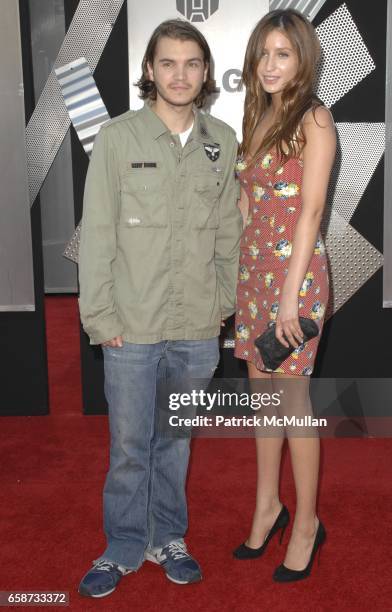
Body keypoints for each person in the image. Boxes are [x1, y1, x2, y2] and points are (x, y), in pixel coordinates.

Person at [77, 19, 242, 598]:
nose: (180, 74)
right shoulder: (118, 138)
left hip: (196, 325)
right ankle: (122, 545)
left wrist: (222, 306)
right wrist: (101, 318)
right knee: (128, 445)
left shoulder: (222, 139)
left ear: (205, 73)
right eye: (167, 63)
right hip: (131, 325)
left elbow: (229, 232)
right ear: (149, 70)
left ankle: (168, 537)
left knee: (176, 440)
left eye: (192, 64)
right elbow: (97, 234)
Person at [233, 9, 336, 582]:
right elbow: (249, 204)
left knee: (294, 406)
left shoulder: (314, 120)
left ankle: (307, 524)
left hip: (294, 281)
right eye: (262, 54)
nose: (268, 65)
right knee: (262, 401)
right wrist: (235, 278)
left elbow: (311, 211)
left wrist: (289, 298)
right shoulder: (258, 116)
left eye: (282, 54)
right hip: (255, 277)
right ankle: (269, 506)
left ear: (302, 60)